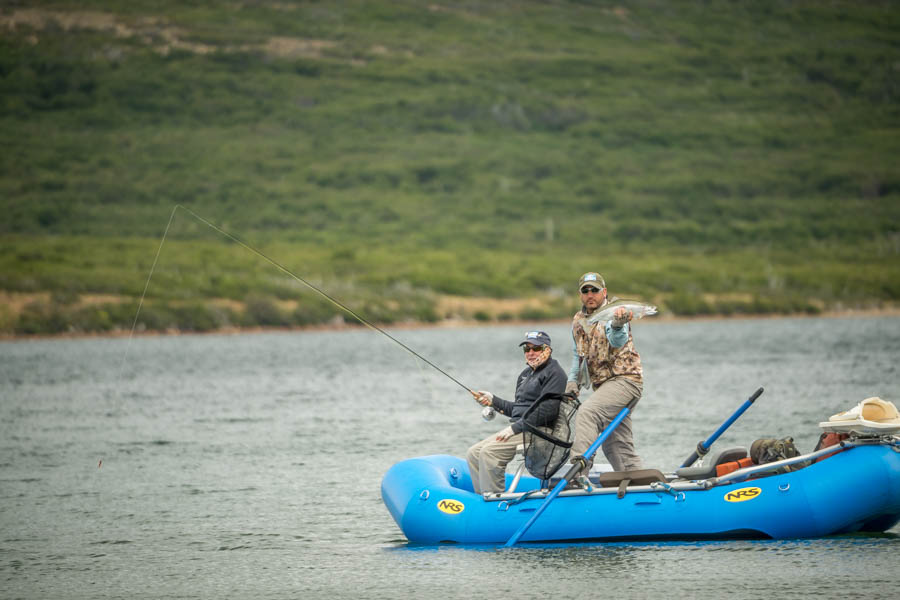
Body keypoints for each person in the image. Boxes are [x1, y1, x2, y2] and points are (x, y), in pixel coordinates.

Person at [466, 331, 567, 495]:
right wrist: (493, 400)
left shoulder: (555, 373)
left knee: (489, 452)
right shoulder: (525, 374)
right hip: (523, 428)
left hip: (540, 431)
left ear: (547, 349)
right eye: (527, 349)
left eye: (536, 348)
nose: (531, 353)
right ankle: (483, 498)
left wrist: (514, 428)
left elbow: (548, 411)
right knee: (474, 453)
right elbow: (519, 410)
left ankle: (495, 499)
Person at [565, 272, 644, 475]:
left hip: (626, 380)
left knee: (588, 413)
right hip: (603, 387)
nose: (590, 294)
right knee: (615, 444)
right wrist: (572, 381)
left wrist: (618, 324)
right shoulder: (578, 320)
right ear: (580, 294)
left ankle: (576, 473)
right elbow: (578, 354)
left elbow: (617, 340)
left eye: (595, 290)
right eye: (586, 291)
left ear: (604, 292)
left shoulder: (616, 312)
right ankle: (638, 484)